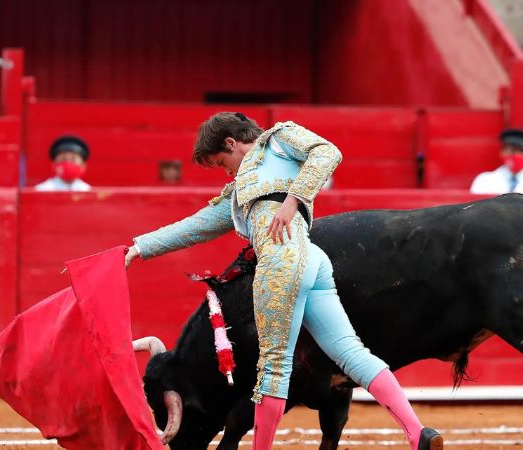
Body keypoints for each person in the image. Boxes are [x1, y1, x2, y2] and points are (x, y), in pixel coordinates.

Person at [124, 112, 442, 450]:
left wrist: (293, 200)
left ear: (231, 143)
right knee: (351, 352)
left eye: (222, 162)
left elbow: (328, 152)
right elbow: (196, 226)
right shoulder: (239, 191)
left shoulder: (278, 139)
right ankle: (417, 432)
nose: (227, 172)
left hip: (280, 262)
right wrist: (140, 247)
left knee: (274, 367)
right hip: (311, 260)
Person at [470, 128, 523, 194]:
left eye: (522, 151)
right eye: (512, 150)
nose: (517, 155)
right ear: (502, 152)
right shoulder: (483, 181)